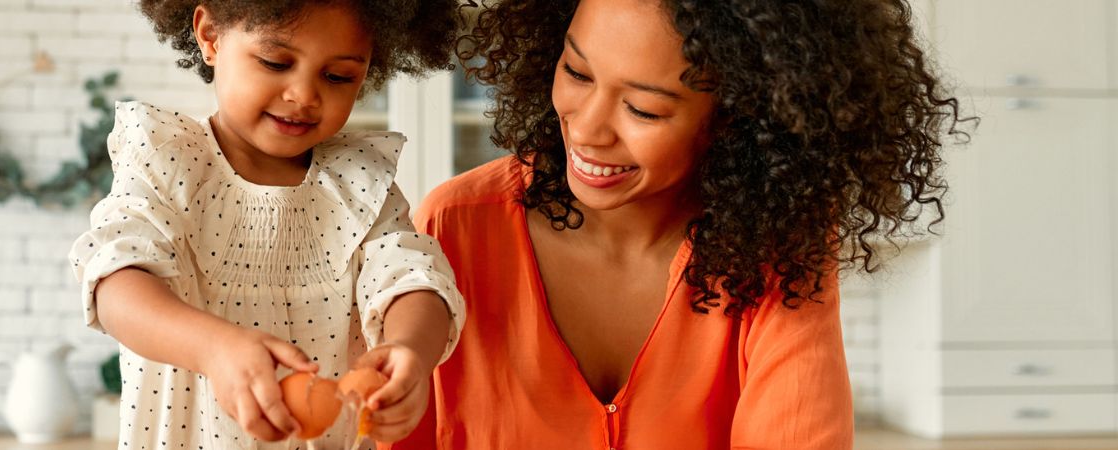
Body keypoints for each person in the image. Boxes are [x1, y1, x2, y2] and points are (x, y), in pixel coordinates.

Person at [390, 0, 968, 448]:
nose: (588, 129)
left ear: (740, 118)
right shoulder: (457, 224)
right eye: (577, 71)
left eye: (644, 109)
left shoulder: (778, 246)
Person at [68, 1, 466, 448]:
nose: (304, 95)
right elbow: (115, 281)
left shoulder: (359, 182)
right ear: (210, 36)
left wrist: (409, 349)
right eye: (276, 62)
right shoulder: (166, 160)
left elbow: (413, 279)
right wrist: (213, 348)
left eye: (338, 76)